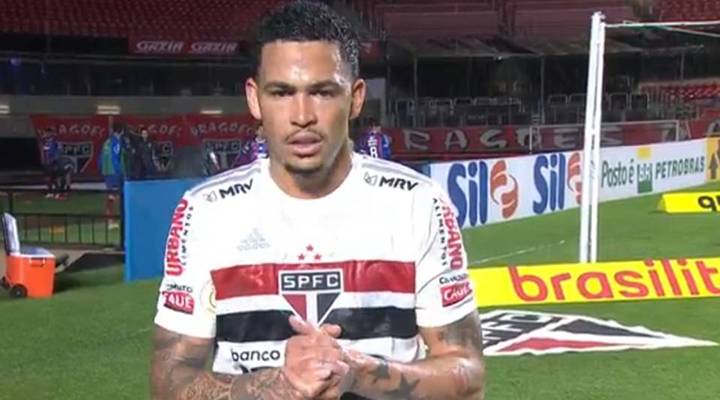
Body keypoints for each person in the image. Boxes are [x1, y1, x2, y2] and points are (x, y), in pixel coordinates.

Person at [150, 2, 485, 400]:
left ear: (355, 98)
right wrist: (275, 386)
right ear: (255, 99)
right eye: (281, 92)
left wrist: (360, 375)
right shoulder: (207, 212)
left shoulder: (418, 204)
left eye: (323, 92)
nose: (302, 115)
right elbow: (168, 381)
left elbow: (468, 373)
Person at [99, 123, 126, 227]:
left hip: (107, 171)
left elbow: (100, 158)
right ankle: (112, 220)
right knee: (115, 196)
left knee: (111, 196)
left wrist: (103, 170)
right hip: (114, 172)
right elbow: (115, 158)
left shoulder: (107, 141)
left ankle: (110, 220)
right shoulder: (116, 142)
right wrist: (120, 171)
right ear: (122, 131)